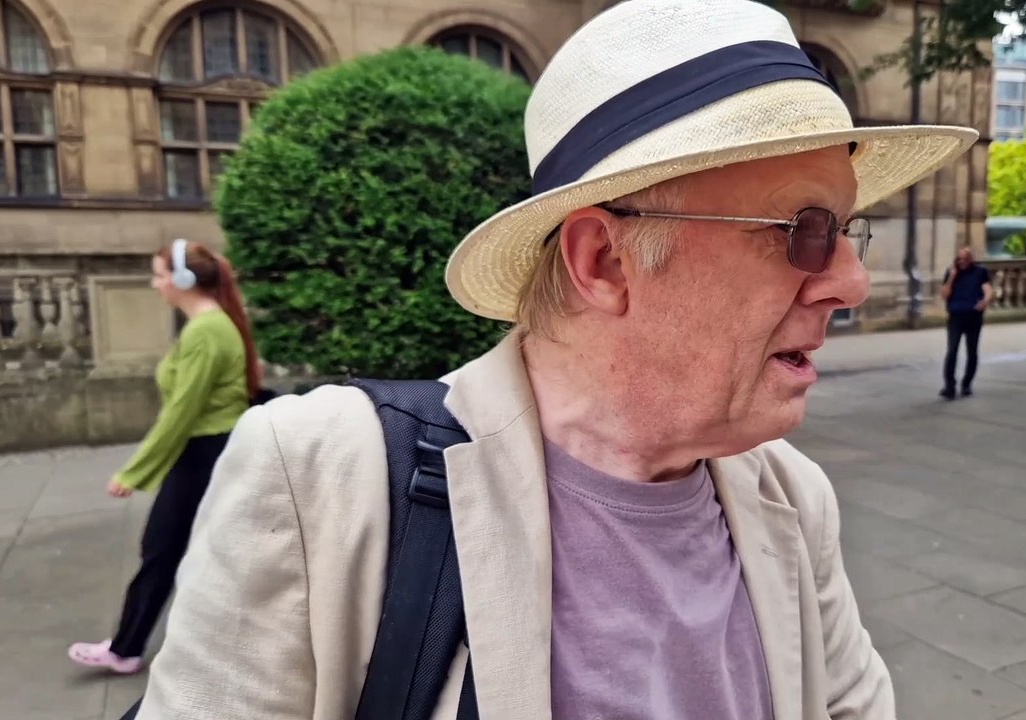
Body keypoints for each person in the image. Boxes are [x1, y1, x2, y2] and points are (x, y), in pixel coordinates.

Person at [133, 1, 977, 718]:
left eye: (846, 229)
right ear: (604, 262)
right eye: (804, 231)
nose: (853, 282)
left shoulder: (793, 498)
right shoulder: (321, 477)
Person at [67, 239, 262, 674]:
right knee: (181, 550)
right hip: (207, 448)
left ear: (184, 280)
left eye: (158, 274)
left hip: (205, 450)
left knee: (164, 549)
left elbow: (181, 413)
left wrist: (134, 472)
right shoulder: (207, 326)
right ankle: (130, 646)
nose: (154, 284)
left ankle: (127, 648)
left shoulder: (207, 331)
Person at [938, 246, 993, 400]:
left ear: (970, 259)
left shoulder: (980, 272)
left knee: (972, 351)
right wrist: (952, 277)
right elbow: (944, 294)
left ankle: (966, 384)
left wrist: (985, 300)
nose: (961, 262)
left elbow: (987, 288)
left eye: (965, 259)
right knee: (952, 350)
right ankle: (949, 386)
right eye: (959, 259)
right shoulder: (951, 272)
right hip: (956, 316)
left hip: (973, 316)